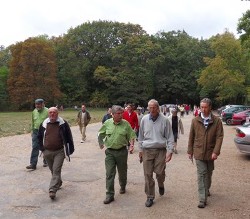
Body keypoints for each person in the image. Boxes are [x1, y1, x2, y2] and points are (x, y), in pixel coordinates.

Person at [187, 98, 224, 208]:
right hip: (198, 152)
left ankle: (206, 189)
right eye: (201, 107)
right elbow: (191, 137)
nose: (203, 109)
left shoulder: (217, 121)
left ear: (210, 107)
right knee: (201, 174)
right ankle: (202, 199)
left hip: (211, 152)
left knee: (209, 173)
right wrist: (190, 151)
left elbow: (219, 137)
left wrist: (216, 151)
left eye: (205, 107)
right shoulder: (195, 120)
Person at [138, 99, 174, 207]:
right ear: (147, 108)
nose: (152, 109)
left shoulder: (165, 120)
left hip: (160, 150)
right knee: (148, 174)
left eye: (154, 107)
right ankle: (150, 196)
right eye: (150, 107)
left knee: (159, 172)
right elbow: (140, 136)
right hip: (147, 150)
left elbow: (170, 137)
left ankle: (161, 183)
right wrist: (140, 150)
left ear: (158, 108)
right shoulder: (144, 119)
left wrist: (170, 151)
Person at [98, 105, 136, 204]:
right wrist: (101, 143)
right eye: (118, 114)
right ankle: (109, 195)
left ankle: (123, 185)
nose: (120, 115)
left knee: (122, 172)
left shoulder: (126, 124)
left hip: (122, 151)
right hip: (110, 152)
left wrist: (131, 145)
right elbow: (100, 133)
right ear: (113, 114)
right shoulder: (107, 123)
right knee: (110, 173)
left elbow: (131, 135)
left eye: (121, 113)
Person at [38, 107, 74, 199]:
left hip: (59, 151)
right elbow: (39, 136)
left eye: (54, 112)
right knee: (53, 170)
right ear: (48, 114)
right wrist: (41, 148)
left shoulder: (63, 123)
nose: (52, 114)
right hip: (47, 151)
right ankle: (59, 182)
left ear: (57, 113)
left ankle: (52, 190)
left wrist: (70, 149)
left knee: (56, 170)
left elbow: (69, 136)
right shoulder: (44, 123)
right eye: (50, 112)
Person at [26, 98, 48, 170]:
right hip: (36, 131)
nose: (37, 105)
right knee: (35, 146)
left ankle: (46, 161)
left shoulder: (48, 111)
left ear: (43, 104)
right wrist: (32, 130)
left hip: (45, 131)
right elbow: (33, 121)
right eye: (36, 104)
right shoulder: (34, 111)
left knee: (45, 146)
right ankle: (33, 164)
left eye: (39, 104)